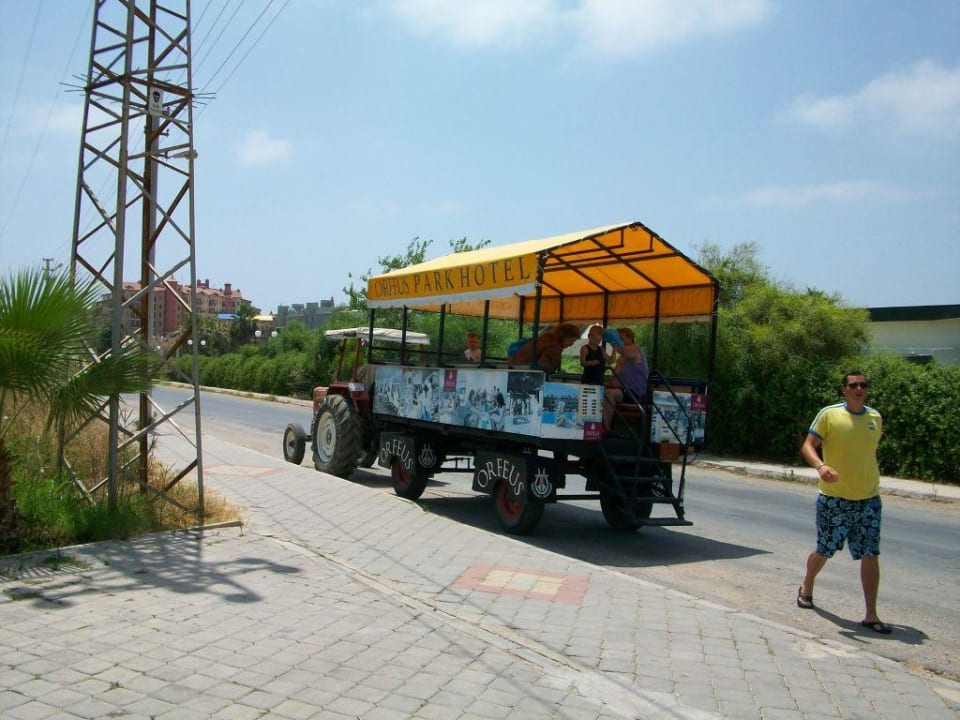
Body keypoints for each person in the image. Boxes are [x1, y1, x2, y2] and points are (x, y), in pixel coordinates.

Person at [797, 371, 890, 634]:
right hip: (834, 498)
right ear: (844, 390)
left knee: (871, 553)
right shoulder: (829, 414)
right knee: (825, 549)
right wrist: (821, 466)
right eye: (853, 385)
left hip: (869, 499)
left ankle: (871, 614)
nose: (859, 388)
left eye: (863, 384)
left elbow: (869, 452)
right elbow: (808, 446)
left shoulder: (875, 417)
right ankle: (807, 585)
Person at [602, 327, 648, 430]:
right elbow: (615, 376)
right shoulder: (622, 357)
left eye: (620, 337)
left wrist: (610, 338)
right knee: (595, 390)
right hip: (624, 390)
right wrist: (606, 383)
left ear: (629, 337)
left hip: (635, 392)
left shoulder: (635, 349)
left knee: (608, 394)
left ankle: (606, 429)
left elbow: (621, 349)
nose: (618, 339)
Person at [507, 323, 581, 374]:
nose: (571, 344)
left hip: (513, 367)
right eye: (570, 341)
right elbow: (543, 367)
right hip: (521, 373)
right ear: (563, 336)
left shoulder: (546, 337)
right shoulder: (555, 347)